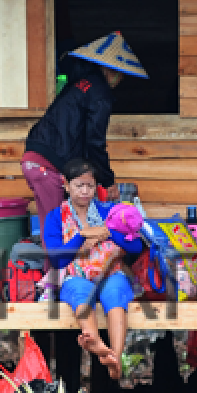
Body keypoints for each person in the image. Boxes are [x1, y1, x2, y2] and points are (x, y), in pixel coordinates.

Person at [21, 31, 148, 223]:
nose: (120, 80)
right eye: (121, 75)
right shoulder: (100, 94)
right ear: (111, 70)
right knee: (59, 230)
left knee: (53, 228)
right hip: (46, 167)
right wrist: (108, 181)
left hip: (34, 159)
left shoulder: (79, 84)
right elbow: (95, 142)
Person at [42, 159, 143, 379]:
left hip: (111, 273)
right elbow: (57, 259)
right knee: (81, 290)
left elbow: (136, 246)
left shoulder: (110, 212)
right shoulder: (55, 217)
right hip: (76, 275)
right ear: (66, 185)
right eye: (79, 185)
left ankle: (114, 357)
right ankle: (95, 340)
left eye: (90, 185)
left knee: (115, 291)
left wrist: (109, 233)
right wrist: (81, 236)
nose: (85, 191)